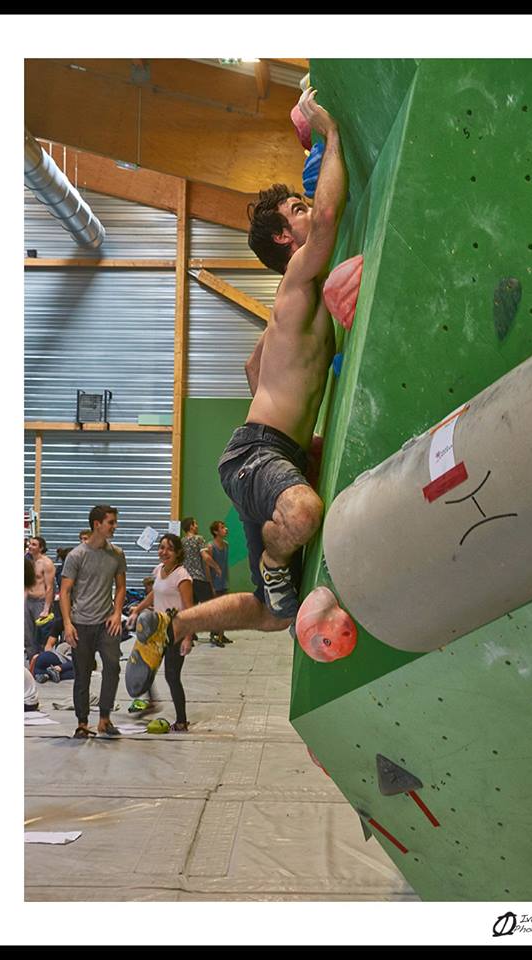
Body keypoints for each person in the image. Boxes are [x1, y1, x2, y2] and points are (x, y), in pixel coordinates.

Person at [136, 88, 347, 650]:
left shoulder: (295, 303)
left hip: (267, 451)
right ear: (285, 238)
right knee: (302, 513)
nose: (308, 209)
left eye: (302, 203)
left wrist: (292, 431)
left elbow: (253, 364)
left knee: (275, 613)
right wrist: (332, 135)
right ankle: (275, 562)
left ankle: (176, 624)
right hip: (257, 454)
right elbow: (329, 216)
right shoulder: (298, 280)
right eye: (296, 210)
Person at [60, 504, 127, 739]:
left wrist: (117, 613)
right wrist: (67, 624)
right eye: (111, 522)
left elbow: (121, 587)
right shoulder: (76, 556)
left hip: (106, 623)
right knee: (82, 673)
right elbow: (65, 591)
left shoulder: (117, 554)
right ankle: (82, 723)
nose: (115, 526)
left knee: (113, 668)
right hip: (81, 623)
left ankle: (104, 719)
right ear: (97, 525)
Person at [126, 534, 194, 731]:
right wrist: (137, 609)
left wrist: (188, 638)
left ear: (178, 553)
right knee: (145, 667)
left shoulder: (182, 576)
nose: (164, 552)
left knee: (172, 676)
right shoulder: (159, 570)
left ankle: (181, 721)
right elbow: (153, 594)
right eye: (161, 547)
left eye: (169, 549)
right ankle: (152, 702)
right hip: (156, 631)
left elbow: (190, 609)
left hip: (175, 632)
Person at [25, 536, 57, 661]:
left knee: (41, 636)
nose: (30, 546)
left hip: (41, 602)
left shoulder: (46, 563)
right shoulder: (28, 562)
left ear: (41, 548)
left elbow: (49, 587)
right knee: (28, 635)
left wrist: (46, 608)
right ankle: (32, 662)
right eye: (30, 544)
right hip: (28, 600)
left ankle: (42, 663)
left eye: (34, 544)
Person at [180, 516, 220, 609]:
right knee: (210, 607)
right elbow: (205, 557)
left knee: (191, 608)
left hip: (185, 580)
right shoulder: (199, 539)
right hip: (198, 579)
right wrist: (216, 567)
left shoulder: (182, 541)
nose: (197, 526)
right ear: (191, 526)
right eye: (195, 524)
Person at [208, 521, 232, 646]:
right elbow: (208, 567)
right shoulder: (210, 547)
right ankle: (214, 635)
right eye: (222, 528)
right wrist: (211, 584)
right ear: (215, 532)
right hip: (215, 583)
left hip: (224, 582)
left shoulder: (226, 545)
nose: (225, 529)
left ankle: (222, 635)